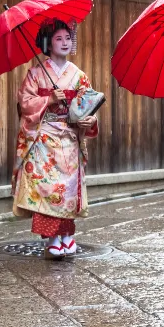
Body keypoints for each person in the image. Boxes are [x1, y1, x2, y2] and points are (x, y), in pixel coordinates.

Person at [12, 18, 99, 259]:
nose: (64, 42)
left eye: (67, 38)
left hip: (69, 138)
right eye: (58, 38)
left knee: (68, 191)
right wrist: (48, 100)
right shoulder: (35, 73)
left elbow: (89, 105)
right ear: (48, 44)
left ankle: (68, 236)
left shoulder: (78, 75)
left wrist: (88, 120)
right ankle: (52, 238)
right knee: (47, 189)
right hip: (44, 139)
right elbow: (25, 103)